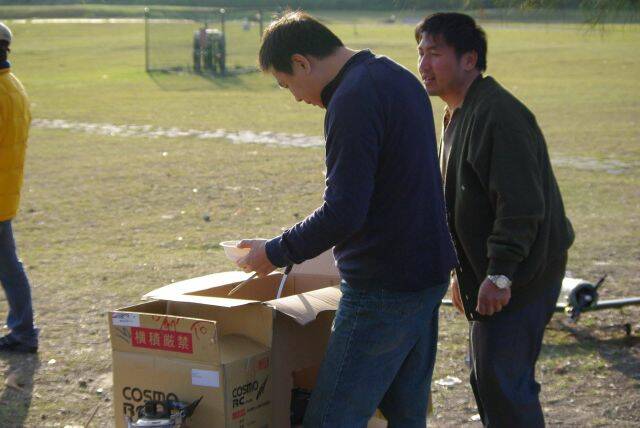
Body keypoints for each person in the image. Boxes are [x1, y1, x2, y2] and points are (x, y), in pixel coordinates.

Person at [237, 11, 457, 427]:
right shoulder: (395, 76)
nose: (296, 98)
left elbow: (343, 211)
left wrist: (275, 251)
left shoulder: (352, 100)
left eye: (287, 84)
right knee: (404, 414)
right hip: (425, 275)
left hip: (384, 287)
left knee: (332, 418)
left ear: (301, 63)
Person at [415, 12, 574, 427]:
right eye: (421, 53)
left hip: (523, 271)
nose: (424, 65)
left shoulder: (498, 114)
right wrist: (462, 272)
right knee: (488, 377)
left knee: (503, 382)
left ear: (469, 59)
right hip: (495, 270)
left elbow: (521, 206)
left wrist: (500, 274)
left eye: (435, 53)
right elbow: (464, 202)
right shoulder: (459, 112)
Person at [0, 22, 38, 354]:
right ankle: (23, 331)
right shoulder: (14, 85)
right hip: (5, 194)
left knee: (9, 266)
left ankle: (24, 331)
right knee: (9, 266)